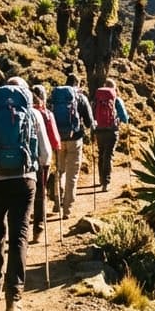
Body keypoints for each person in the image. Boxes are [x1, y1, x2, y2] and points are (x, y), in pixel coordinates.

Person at [0, 76, 51, 311]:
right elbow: (46, 154)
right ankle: (13, 297)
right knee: (19, 235)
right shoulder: (34, 114)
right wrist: (38, 170)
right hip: (24, 181)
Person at [51, 72, 94, 219]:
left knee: (60, 170)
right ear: (78, 83)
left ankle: (57, 201)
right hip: (75, 139)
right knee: (72, 174)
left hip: (58, 139)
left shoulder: (56, 97)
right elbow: (88, 122)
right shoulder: (80, 97)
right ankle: (67, 209)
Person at [30, 84, 61, 243]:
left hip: (22, 160)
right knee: (40, 193)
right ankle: (38, 226)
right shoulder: (46, 113)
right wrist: (55, 152)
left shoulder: (23, 111)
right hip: (42, 159)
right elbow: (55, 140)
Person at [93, 77, 130, 191]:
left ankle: (101, 179)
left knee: (101, 153)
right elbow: (124, 118)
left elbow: (92, 113)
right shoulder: (116, 99)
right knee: (108, 155)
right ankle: (106, 183)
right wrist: (125, 119)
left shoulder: (97, 98)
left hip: (99, 130)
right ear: (114, 88)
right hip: (111, 131)